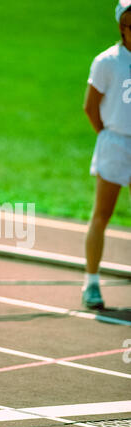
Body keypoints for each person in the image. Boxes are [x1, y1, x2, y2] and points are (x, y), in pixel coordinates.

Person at [82, 1, 131, 309]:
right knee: (102, 214)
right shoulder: (107, 61)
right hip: (114, 143)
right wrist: (108, 135)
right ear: (121, 27)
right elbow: (90, 106)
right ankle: (92, 283)